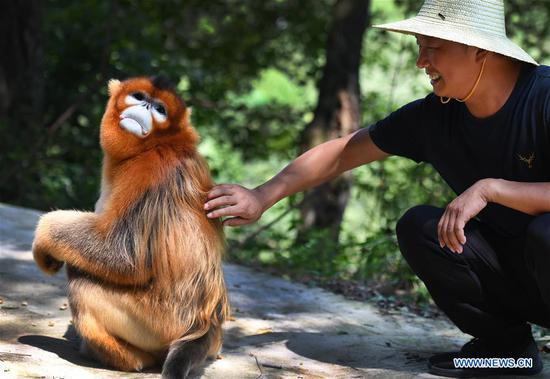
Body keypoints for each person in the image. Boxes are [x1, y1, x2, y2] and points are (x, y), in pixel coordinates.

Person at [204, 0, 550, 377]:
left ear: (480, 49)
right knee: (421, 228)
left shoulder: (543, 98)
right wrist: (261, 195)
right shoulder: (435, 116)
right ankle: (508, 352)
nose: (421, 62)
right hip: (523, 278)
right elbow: (344, 152)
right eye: (419, 47)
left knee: (544, 231)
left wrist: (491, 189)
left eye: (433, 48)